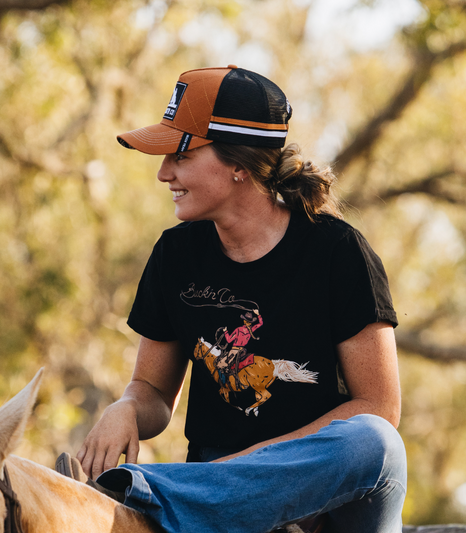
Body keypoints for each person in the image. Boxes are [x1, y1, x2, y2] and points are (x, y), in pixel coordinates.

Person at [58, 65, 407, 533]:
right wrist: (126, 407)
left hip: (332, 494)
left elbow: (380, 406)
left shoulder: (338, 252)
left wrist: (246, 473)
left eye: (180, 155)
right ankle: (188, 497)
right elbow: (155, 392)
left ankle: (148, 496)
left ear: (239, 165)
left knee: (375, 440)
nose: (163, 173)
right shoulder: (175, 255)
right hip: (219, 494)